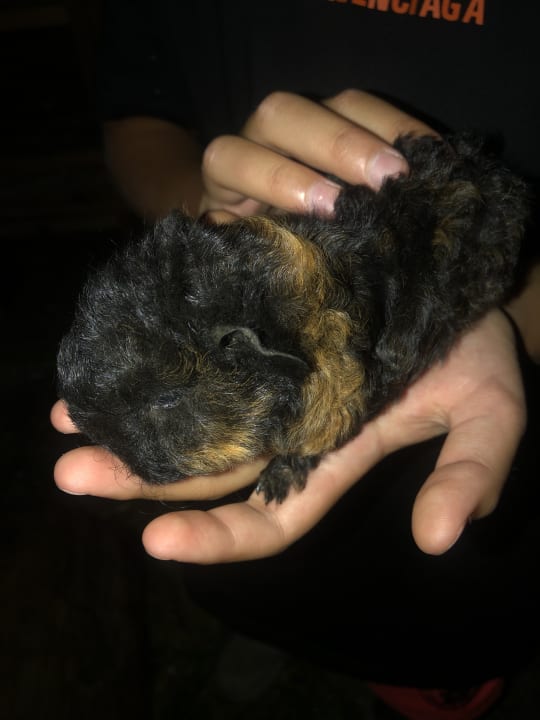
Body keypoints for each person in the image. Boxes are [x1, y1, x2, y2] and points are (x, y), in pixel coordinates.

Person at [51, 2, 540, 717]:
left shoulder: (332, 367)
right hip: (263, 562)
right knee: (242, 572)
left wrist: (521, 306)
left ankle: (435, 674)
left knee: (438, 603)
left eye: (165, 400)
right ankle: (266, 633)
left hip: (461, 586)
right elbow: (138, 120)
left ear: (258, 358)